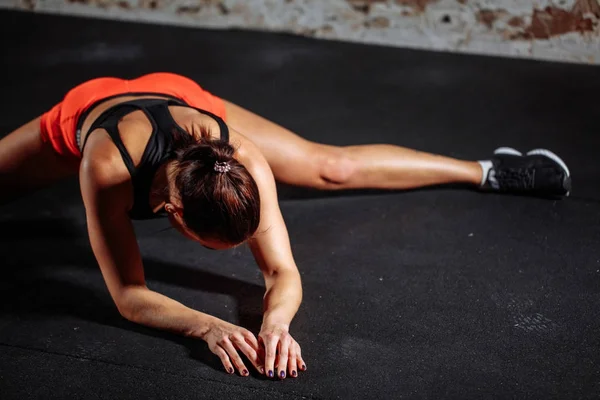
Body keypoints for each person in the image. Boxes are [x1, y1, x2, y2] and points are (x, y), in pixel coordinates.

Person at [0, 72, 571, 380]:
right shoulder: (105, 166)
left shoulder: (240, 156)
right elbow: (128, 294)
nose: (237, 254)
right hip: (84, 110)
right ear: (171, 216)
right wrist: (207, 327)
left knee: (332, 166)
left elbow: (281, 269)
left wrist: (276, 325)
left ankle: (490, 170)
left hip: (178, 95)